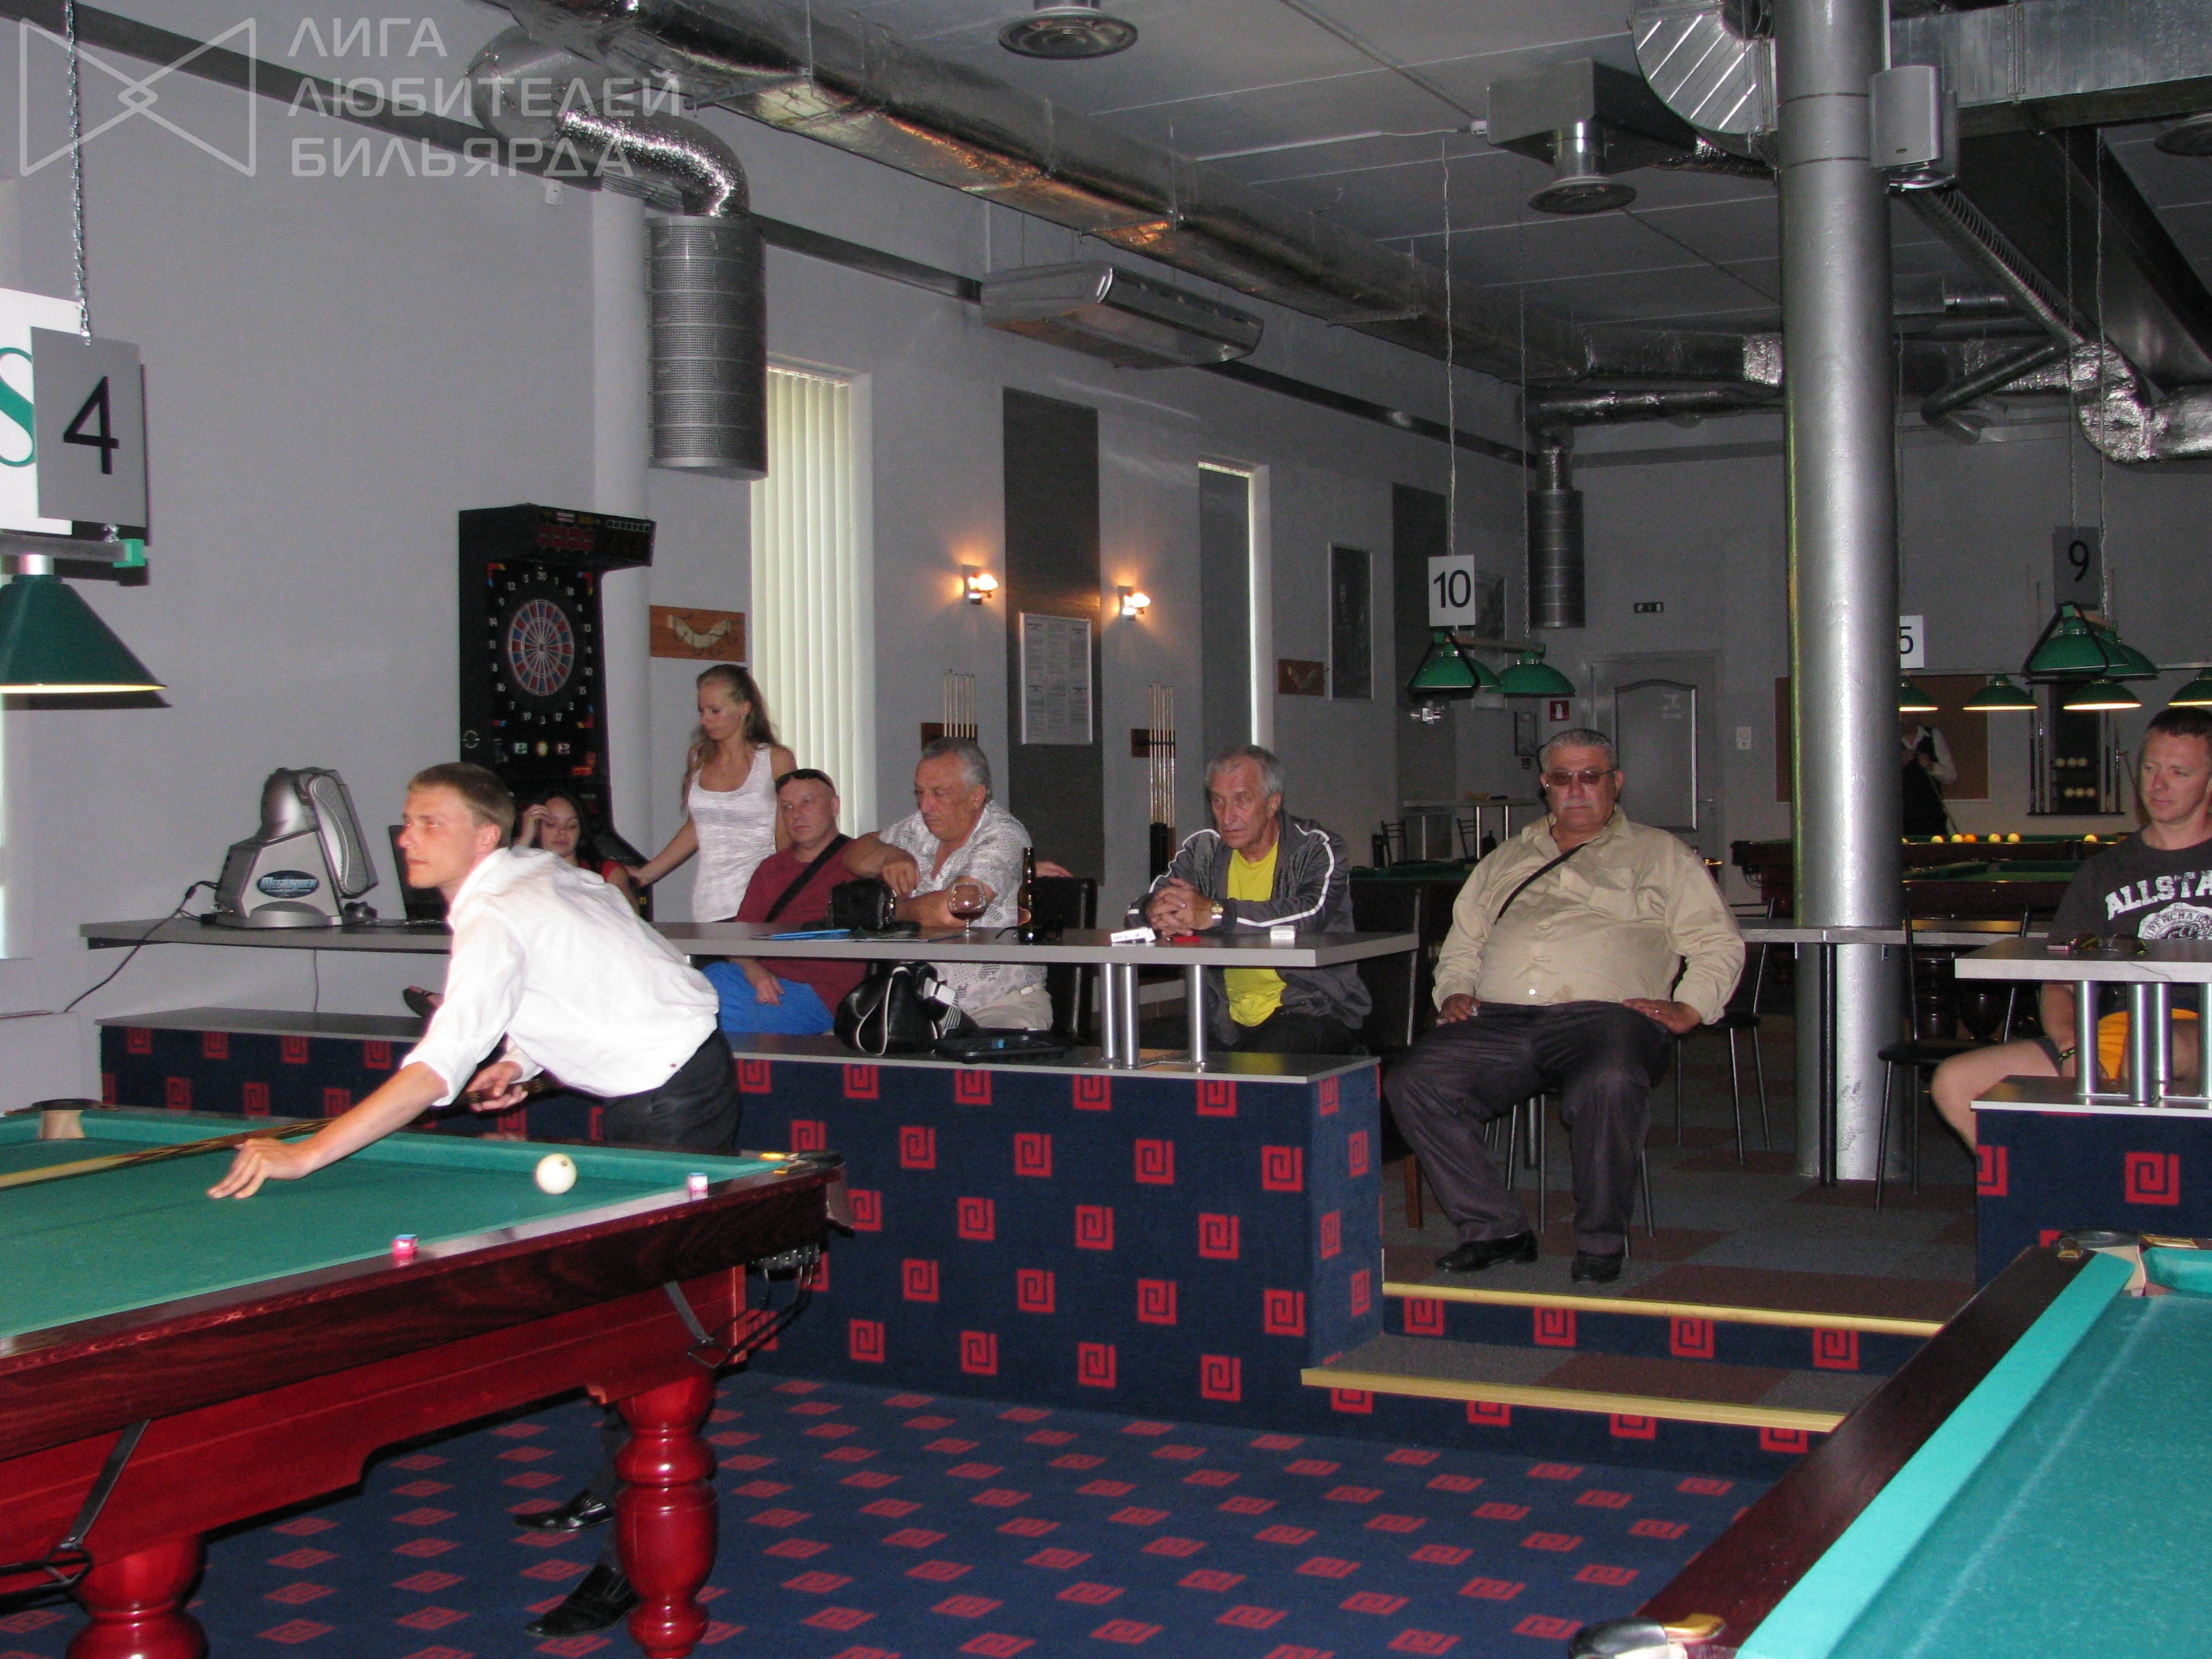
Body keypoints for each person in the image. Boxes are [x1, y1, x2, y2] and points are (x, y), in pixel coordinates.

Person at [209, 761, 735, 1640]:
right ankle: (613, 1486)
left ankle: (632, 1559)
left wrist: (306, 1154)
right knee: (632, 1309)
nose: (407, 838)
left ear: (485, 836)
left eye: (431, 823)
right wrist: (523, 1060)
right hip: (677, 1071)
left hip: (671, 1092)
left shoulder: (498, 907)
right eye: (407, 821)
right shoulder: (535, 871)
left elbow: (434, 1069)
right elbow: (589, 967)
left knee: (643, 1323)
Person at [1384, 729, 1744, 1284]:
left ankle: (1600, 1240)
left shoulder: (1660, 854)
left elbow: (1718, 942)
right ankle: (1495, 1228)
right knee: (1414, 1080)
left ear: (1615, 783)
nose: (1576, 789)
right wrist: (1454, 989)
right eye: (1562, 778)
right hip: (1500, 1019)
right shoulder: (1508, 857)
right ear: (1545, 786)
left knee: (1610, 1082)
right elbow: (1463, 943)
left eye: (1590, 776)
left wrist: (1691, 1006)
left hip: (1608, 1018)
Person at [1932, 707, 2212, 1147]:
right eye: (2150, 768)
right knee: (1955, 1082)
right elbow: (2060, 980)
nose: (2157, 785)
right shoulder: (2103, 872)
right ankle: (2046, 1187)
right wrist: (2072, 1047)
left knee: (2148, 1048)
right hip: (2122, 1028)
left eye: (2179, 772)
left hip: (2197, 1027)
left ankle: (2122, 1176)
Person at [1138, 743, 1369, 1054]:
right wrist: (1154, 912)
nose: (1227, 816)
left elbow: (1309, 913)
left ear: (1273, 803)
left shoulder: (1315, 847)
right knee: (1130, 1048)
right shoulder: (1203, 851)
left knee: (1261, 1063)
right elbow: (1140, 910)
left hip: (1311, 1010)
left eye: (1241, 801)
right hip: (1223, 1019)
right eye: (1218, 801)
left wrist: (1217, 914)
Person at [842, 737, 1050, 1029]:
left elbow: (956, 910)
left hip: (999, 1006)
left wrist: (889, 911)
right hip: (920, 1007)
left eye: (939, 793)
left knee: (978, 1056)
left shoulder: (1004, 835)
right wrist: (891, 855)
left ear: (976, 796)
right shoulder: (919, 827)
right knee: (838, 1047)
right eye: (920, 792)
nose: (925, 806)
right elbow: (853, 854)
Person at [628, 664, 796, 921]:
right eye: (702, 711)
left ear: (744, 708)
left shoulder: (775, 759)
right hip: (710, 901)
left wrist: (787, 892)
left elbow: (787, 834)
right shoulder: (699, 757)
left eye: (715, 711)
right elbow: (698, 827)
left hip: (763, 897)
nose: (704, 719)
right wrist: (645, 875)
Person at [705, 769, 862, 1035]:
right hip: (762, 983)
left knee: (708, 1015)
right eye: (787, 807)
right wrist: (753, 971)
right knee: (699, 986)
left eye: (806, 803)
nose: (796, 814)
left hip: (823, 994)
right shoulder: (771, 869)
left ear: (834, 806)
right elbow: (738, 938)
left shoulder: (859, 862)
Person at [1902, 712, 1957, 838]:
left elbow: (1950, 776)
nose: (1905, 717)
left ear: (1918, 715)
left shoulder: (1933, 735)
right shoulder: (1885, 736)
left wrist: (1931, 766)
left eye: (1909, 714)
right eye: (1902, 714)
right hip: (1896, 817)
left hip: (1931, 816)